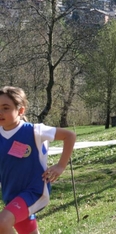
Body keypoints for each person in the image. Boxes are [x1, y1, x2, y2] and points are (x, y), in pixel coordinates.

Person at [0, 86, 76, 234]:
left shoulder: (35, 131)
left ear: (21, 111)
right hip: (11, 195)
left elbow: (70, 135)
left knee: (2, 223)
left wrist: (61, 166)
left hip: (34, 190)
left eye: (6, 108)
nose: (0, 112)